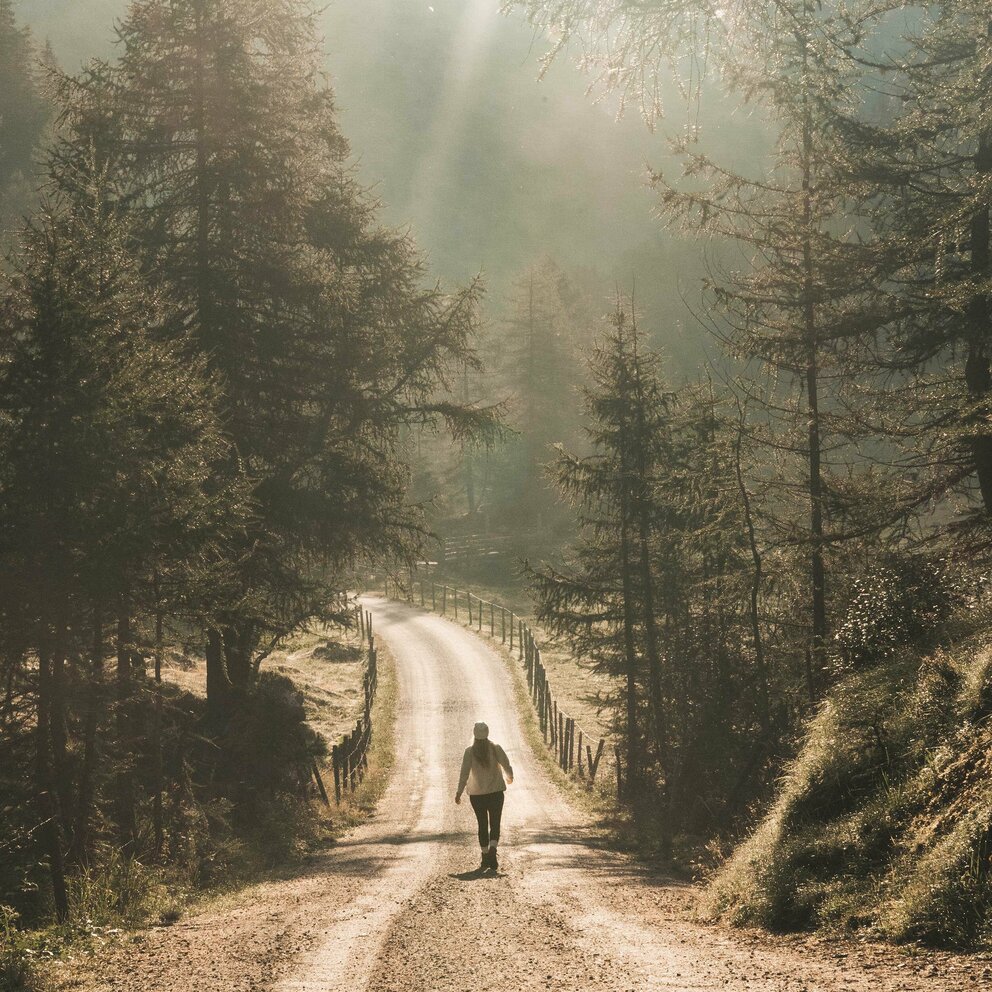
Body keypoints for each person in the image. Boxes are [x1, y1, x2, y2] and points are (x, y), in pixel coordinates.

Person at [455, 721, 513, 872]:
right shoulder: (495, 748)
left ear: (474, 735)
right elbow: (506, 765)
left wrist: (459, 792)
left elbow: (464, 774)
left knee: (482, 824)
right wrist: (510, 777)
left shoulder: (469, 752)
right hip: (496, 792)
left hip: (477, 794)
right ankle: (493, 848)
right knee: (495, 822)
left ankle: (485, 855)